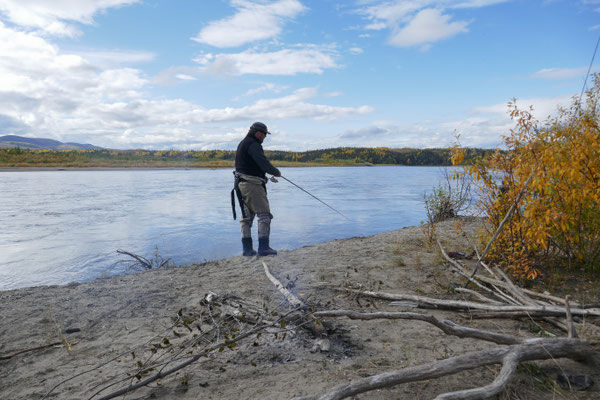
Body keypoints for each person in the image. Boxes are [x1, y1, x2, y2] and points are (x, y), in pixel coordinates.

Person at [232, 122, 281, 256]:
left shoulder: (244, 143)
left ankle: (247, 250)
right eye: (265, 134)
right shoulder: (254, 144)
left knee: (246, 218)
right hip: (251, 184)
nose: (265, 137)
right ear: (258, 133)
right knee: (264, 215)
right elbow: (263, 162)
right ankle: (264, 248)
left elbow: (248, 165)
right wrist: (275, 172)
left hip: (240, 184)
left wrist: (262, 176)